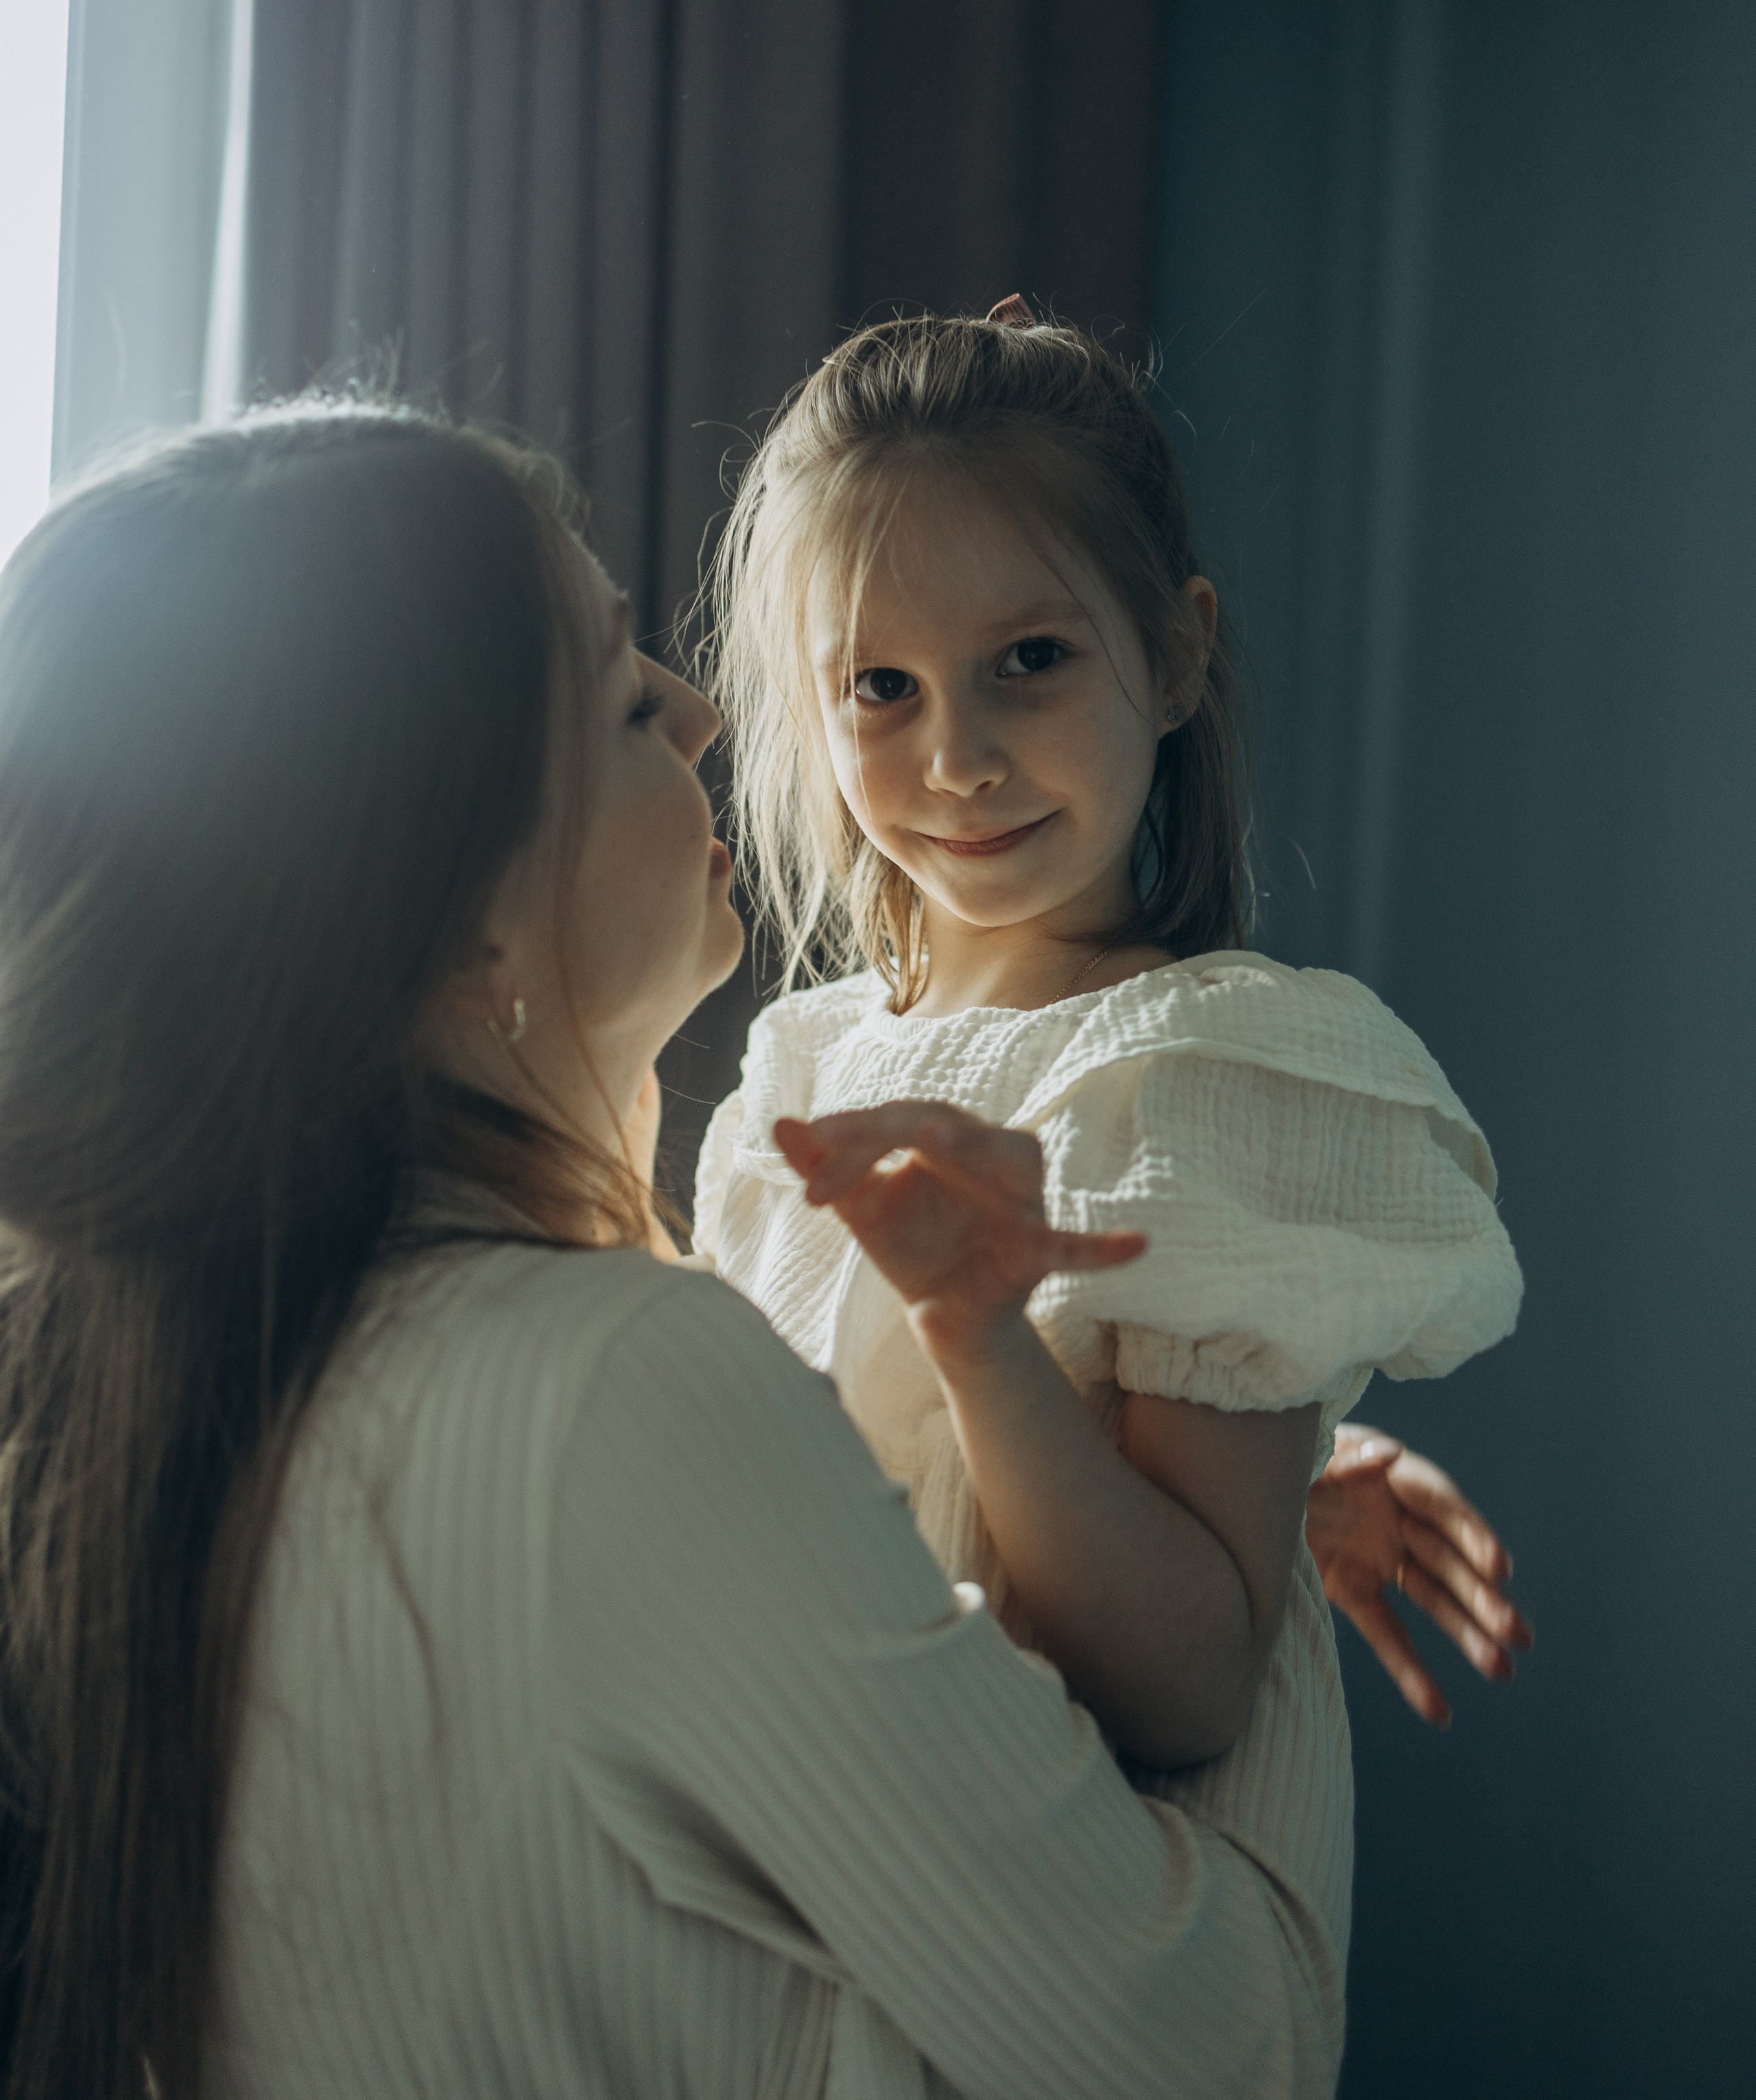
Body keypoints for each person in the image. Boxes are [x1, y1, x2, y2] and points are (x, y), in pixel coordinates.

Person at [0, 398, 1488, 2100]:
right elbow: (1226, 2051)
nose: (710, 712)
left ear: (1171, 655)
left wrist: (1193, 1446)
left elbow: (809, 1535)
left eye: (1026, 658)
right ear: (457, 890)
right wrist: (1257, 1580)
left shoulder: (194, 1375)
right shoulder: (625, 1372)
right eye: (631, 694)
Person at [690, 304, 1528, 2073]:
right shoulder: (794, 1078)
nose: (956, 761)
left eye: (1029, 660)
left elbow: (1179, 1688)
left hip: (1085, 1980)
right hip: (824, 1947)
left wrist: (984, 1342)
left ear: (1170, 651)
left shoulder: (1211, 1074)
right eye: (881, 690)